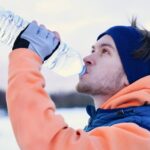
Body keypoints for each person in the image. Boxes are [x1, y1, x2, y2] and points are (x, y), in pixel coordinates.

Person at [6, 19, 150, 150]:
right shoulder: (109, 127)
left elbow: (49, 144)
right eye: (93, 50)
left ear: (131, 73)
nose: (87, 58)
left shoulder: (142, 136)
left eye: (105, 51)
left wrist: (27, 56)